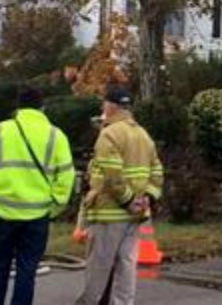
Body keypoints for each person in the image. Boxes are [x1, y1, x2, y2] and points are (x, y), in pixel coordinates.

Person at [0, 87, 75, 305]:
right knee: (27, 271)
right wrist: (54, 207)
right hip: (37, 215)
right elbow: (66, 177)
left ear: (17, 107)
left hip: (0, 213)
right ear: (42, 107)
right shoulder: (56, 136)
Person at [75, 86, 164, 305]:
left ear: (112, 105)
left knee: (99, 267)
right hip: (136, 214)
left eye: (104, 103)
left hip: (109, 212)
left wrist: (127, 201)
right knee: (127, 265)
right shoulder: (142, 134)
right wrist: (147, 199)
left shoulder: (109, 134)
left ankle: (90, 302)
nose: (102, 107)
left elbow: (111, 176)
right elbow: (157, 171)